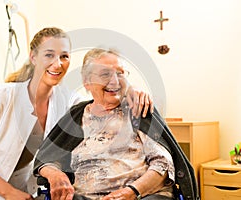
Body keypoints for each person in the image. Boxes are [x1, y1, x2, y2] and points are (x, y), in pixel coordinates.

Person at [0, 27, 153, 200]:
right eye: (49, 55)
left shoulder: (70, 102)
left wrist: (131, 90)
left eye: (64, 56)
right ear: (33, 57)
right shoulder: (0, 98)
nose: (58, 64)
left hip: (31, 191)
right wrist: (8, 193)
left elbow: (98, 99)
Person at [33, 48, 199, 200]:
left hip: (142, 196)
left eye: (120, 74)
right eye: (105, 74)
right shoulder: (76, 115)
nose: (114, 81)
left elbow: (162, 165)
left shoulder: (138, 109)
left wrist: (131, 192)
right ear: (87, 82)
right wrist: (55, 175)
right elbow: (45, 158)